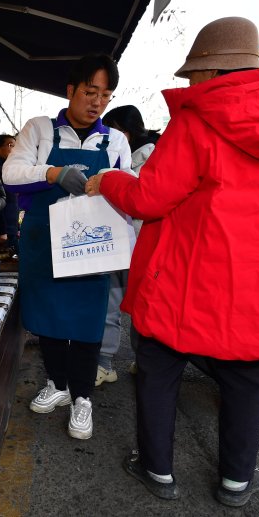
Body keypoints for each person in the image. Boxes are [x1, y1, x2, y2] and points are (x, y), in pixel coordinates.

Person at [85, 17, 259, 506]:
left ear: (210, 72)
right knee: (248, 380)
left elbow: (149, 198)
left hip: (190, 282)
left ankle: (157, 470)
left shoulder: (199, 120)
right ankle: (236, 482)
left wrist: (107, 180)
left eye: (193, 74)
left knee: (159, 367)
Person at [2, 55, 132, 439]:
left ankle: (83, 398)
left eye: (105, 96)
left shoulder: (116, 141)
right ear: (71, 91)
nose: (96, 102)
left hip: (92, 246)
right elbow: (11, 173)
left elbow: (133, 187)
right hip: (44, 241)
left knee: (88, 323)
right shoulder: (39, 130)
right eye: (90, 92)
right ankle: (57, 385)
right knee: (49, 320)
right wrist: (53, 173)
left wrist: (108, 181)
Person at [93, 106, 161, 384]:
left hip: (144, 243)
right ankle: (107, 362)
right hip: (121, 240)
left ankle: (140, 360)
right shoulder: (128, 155)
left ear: (125, 131)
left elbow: (143, 201)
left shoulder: (153, 158)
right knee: (114, 301)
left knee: (141, 306)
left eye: (112, 129)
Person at [0, 134, 18, 251]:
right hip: (3, 230)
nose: (14, 149)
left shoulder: (8, 169)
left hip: (11, 226)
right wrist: (1, 231)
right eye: (10, 145)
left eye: (16, 146)